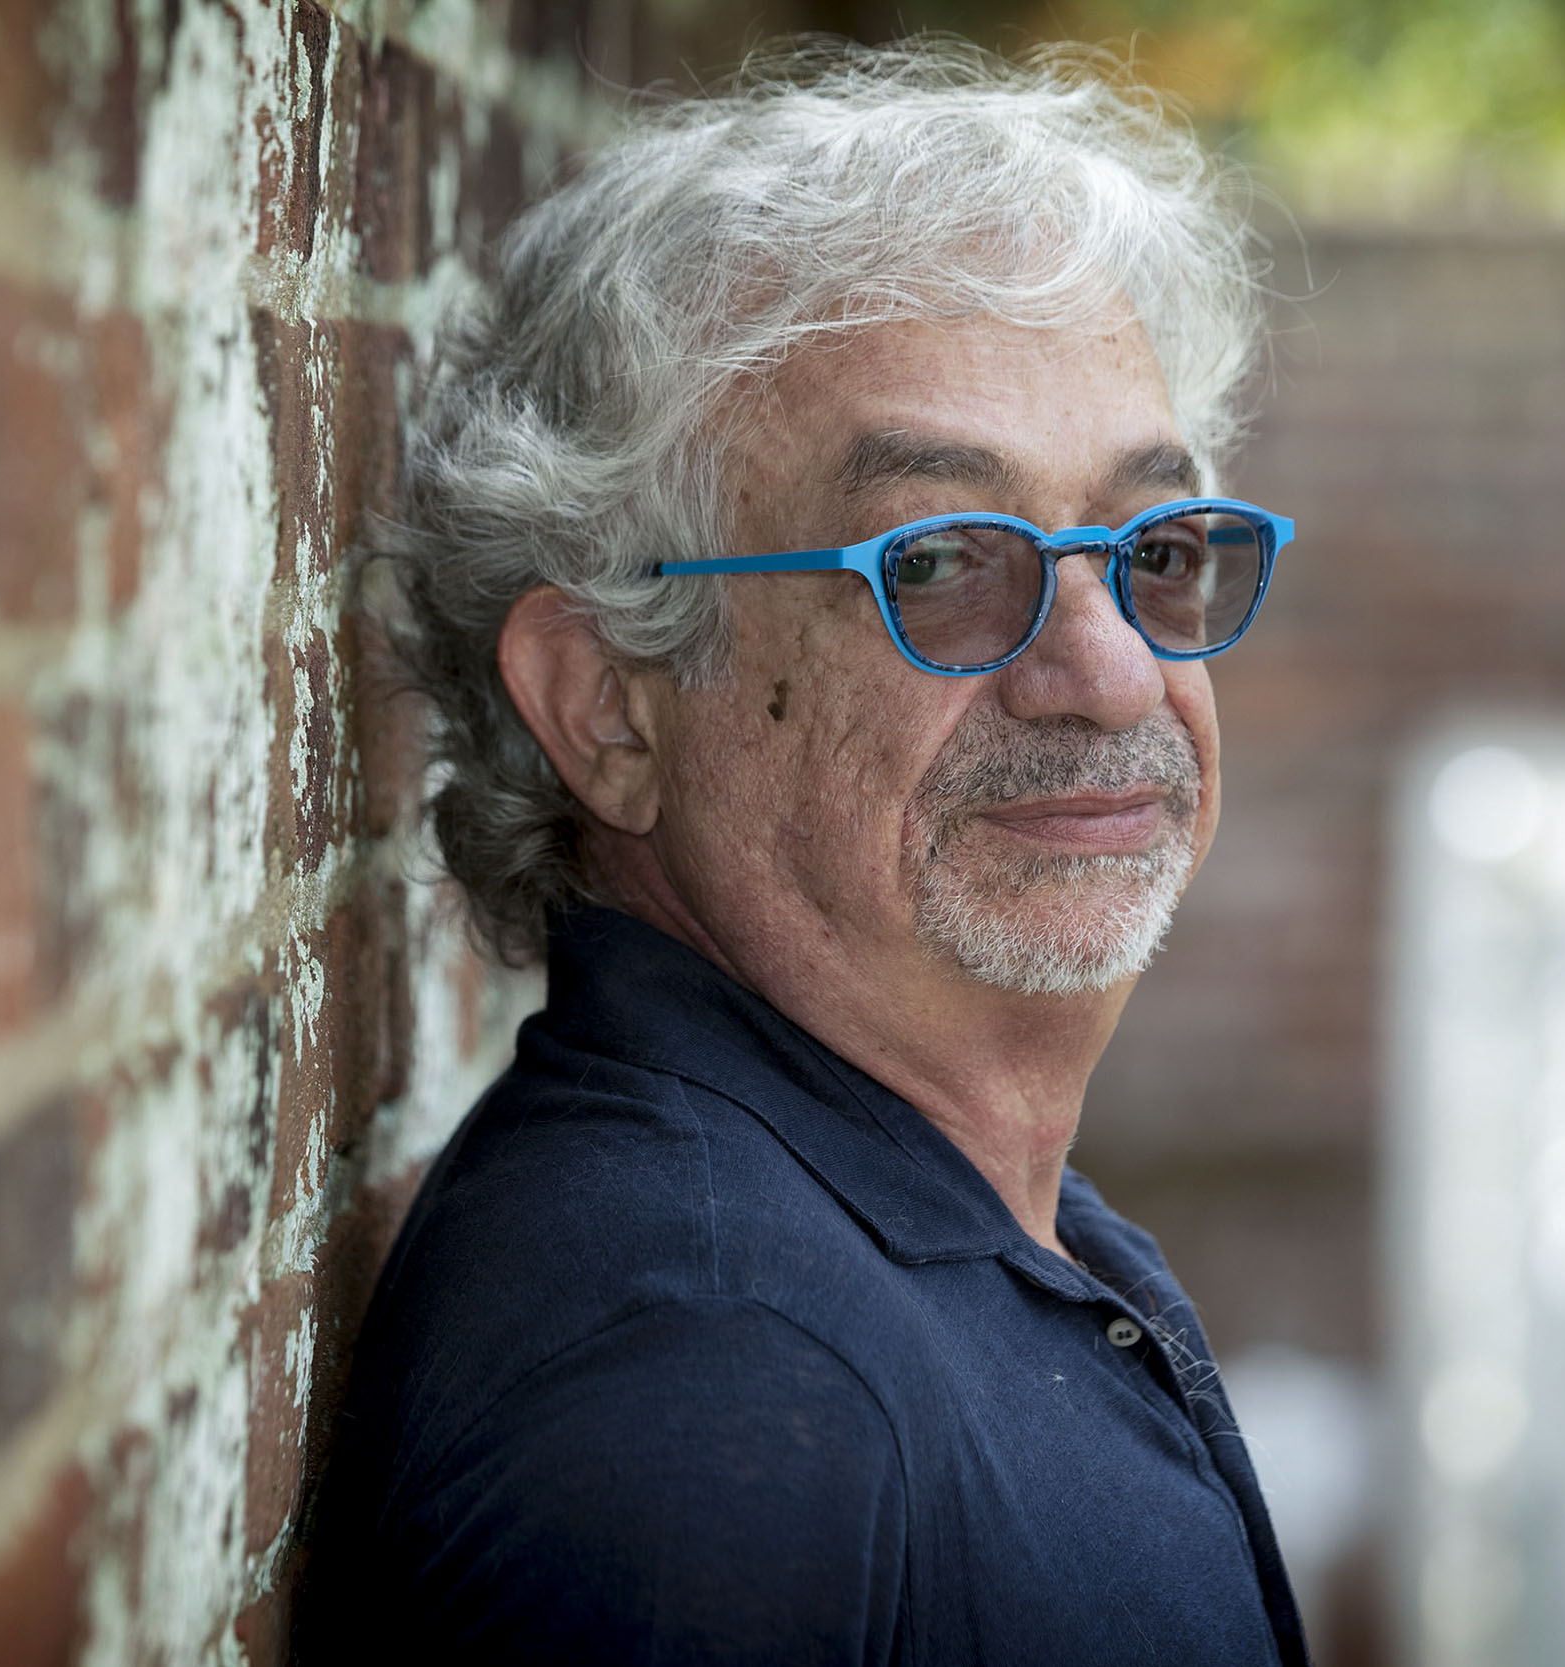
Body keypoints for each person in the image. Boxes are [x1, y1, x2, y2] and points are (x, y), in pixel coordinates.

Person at [300, 38, 1308, 1666]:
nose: (1113, 670)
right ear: (608, 705)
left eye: (1156, 547)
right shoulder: (703, 1393)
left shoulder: (896, 1225)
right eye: (939, 561)